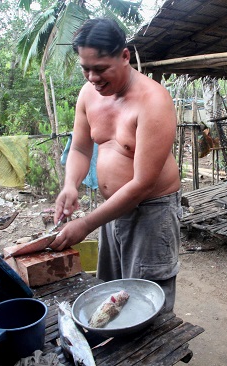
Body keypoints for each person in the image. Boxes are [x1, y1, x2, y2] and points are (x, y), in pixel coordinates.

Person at [50, 18, 182, 313]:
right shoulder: (89, 95)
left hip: (151, 213)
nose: (92, 78)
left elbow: (142, 184)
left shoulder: (153, 100)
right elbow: (82, 148)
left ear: (124, 56)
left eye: (100, 69)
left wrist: (85, 224)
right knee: (110, 295)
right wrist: (70, 185)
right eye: (85, 69)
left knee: (146, 299)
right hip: (112, 210)